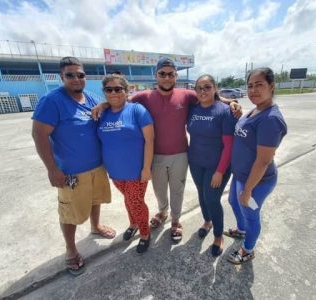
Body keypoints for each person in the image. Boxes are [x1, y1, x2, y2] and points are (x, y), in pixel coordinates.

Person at [93, 57, 242, 243]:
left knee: (177, 190)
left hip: (180, 154)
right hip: (156, 155)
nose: (166, 78)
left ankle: (176, 221)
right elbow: (121, 99)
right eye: (162, 74)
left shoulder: (186, 95)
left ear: (175, 76)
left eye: (170, 74)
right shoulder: (145, 97)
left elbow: (211, 96)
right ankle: (163, 213)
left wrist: (232, 103)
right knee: (160, 190)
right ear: (156, 75)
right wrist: (103, 104)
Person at [32, 56, 115, 275]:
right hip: (71, 171)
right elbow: (39, 135)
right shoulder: (52, 101)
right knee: (70, 213)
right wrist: (52, 169)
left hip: (97, 166)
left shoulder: (89, 97)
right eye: (70, 75)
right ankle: (71, 250)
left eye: (80, 75)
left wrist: (105, 103)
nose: (76, 79)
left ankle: (95, 227)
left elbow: (110, 103)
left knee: (96, 200)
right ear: (61, 77)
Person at [225, 67, 287, 264]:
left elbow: (263, 161)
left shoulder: (270, 119)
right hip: (240, 175)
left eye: (259, 85)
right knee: (234, 203)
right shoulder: (256, 109)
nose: (253, 90)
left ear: (271, 86)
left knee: (251, 214)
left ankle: (248, 249)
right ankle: (241, 231)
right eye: (250, 86)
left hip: (257, 181)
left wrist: (248, 189)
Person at [97, 74, 155, 254]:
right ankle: (134, 223)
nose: (113, 92)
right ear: (104, 92)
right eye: (109, 89)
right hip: (115, 171)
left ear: (126, 90)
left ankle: (145, 233)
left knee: (136, 202)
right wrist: (103, 105)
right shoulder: (102, 113)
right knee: (128, 200)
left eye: (118, 89)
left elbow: (150, 140)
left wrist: (146, 168)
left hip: (136, 171)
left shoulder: (137, 110)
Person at [187, 74, 237, 256]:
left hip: (217, 165)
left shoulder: (224, 111)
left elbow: (229, 145)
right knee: (202, 193)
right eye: (199, 88)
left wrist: (220, 171)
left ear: (215, 88)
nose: (203, 91)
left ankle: (218, 235)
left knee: (212, 199)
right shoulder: (192, 109)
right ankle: (207, 221)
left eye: (207, 87)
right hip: (195, 162)